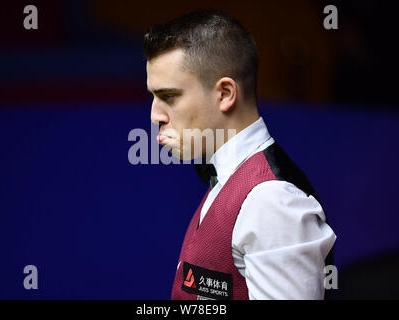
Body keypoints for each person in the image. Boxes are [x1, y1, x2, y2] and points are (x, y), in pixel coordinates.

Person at [142, 8, 336, 300]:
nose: (155, 115)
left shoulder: (271, 200)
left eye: (169, 96)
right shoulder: (229, 178)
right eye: (153, 97)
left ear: (225, 94)